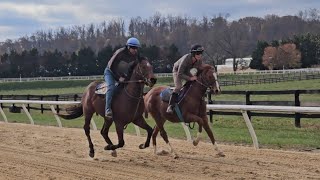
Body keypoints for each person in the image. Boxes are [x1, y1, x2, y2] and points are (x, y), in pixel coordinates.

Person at [104, 37, 140, 119]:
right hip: (109, 72)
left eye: (136, 48)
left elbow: (132, 69)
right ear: (128, 47)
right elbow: (111, 66)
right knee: (111, 87)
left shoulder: (135, 56)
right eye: (133, 48)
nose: (135, 50)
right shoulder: (119, 53)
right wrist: (118, 77)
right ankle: (107, 109)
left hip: (122, 75)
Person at [166, 44, 205, 113]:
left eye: (201, 53)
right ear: (193, 53)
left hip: (187, 71)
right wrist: (190, 78)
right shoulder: (186, 59)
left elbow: (200, 70)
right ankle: (170, 106)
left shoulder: (200, 60)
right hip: (177, 71)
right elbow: (180, 73)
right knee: (178, 87)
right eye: (198, 53)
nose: (200, 55)